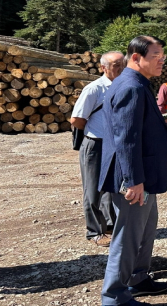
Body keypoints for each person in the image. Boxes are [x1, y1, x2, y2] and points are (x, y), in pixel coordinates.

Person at [99, 36, 167, 305]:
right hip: (134, 178)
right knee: (128, 236)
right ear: (136, 58)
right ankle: (114, 296)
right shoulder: (131, 86)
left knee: (146, 229)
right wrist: (133, 181)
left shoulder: (138, 83)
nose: (161, 60)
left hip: (143, 175)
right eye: (155, 55)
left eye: (162, 55)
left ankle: (138, 278)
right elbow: (126, 139)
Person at [70, 51, 124, 247]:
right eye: (115, 65)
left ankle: (110, 226)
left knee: (111, 188)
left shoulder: (123, 87)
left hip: (113, 145)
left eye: (122, 64)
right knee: (93, 190)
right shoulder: (94, 89)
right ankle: (94, 232)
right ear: (103, 67)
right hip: (94, 144)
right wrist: (96, 130)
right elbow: (76, 119)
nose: (120, 68)